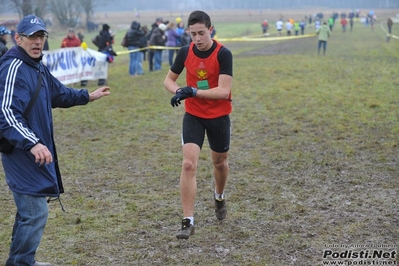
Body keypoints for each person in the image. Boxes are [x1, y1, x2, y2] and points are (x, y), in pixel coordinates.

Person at [0, 14, 111, 266]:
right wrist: (32, 142)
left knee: (28, 211)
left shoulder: (37, 65)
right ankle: (21, 262)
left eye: (41, 36)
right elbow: (5, 112)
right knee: (35, 211)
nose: (37, 41)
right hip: (21, 150)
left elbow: (58, 93)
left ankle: (21, 260)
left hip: (34, 149)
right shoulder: (12, 67)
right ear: (18, 38)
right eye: (31, 36)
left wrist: (87, 96)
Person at [163, 10, 233, 240]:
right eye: (192, 34)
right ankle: (188, 221)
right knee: (188, 165)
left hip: (219, 116)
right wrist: (180, 92)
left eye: (201, 33)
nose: (197, 39)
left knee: (220, 163)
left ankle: (219, 196)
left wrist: (195, 91)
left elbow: (223, 91)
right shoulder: (185, 52)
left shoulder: (224, 54)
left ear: (210, 30)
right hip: (193, 115)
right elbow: (168, 80)